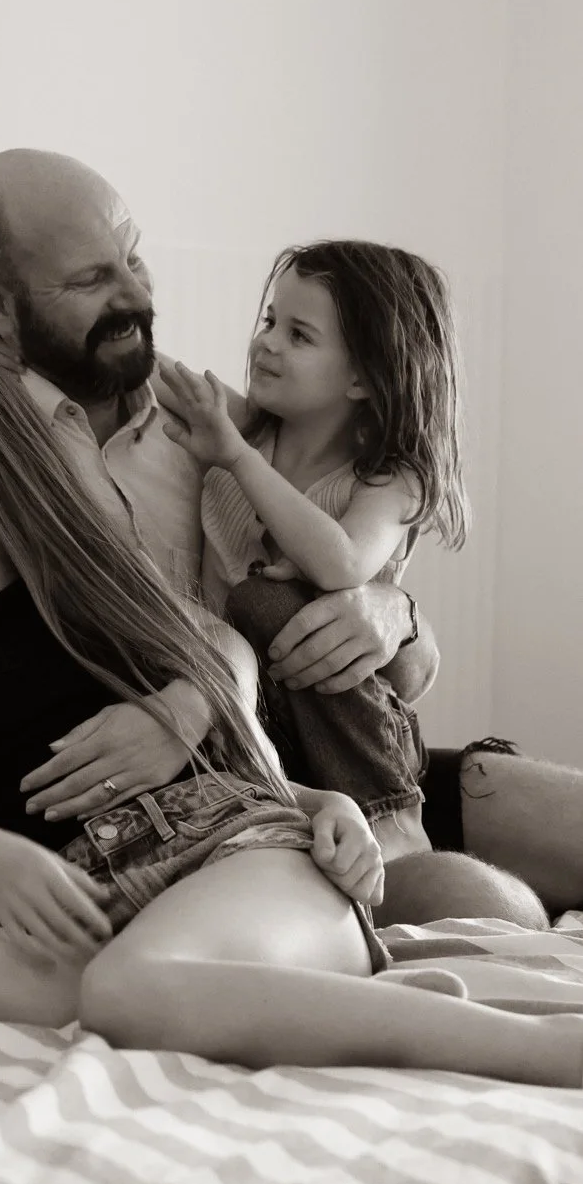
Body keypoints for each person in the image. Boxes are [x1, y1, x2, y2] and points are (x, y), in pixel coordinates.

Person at [0, 355, 583, 1087]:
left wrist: (323, 804)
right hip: (85, 918)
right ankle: (215, 998)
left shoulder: (101, 596)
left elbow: (239, 732)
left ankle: (533, 1047)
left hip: (239, 857)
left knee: (126, 989)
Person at [0, 149, 580, 918]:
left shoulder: (197, 414)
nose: (136, 296)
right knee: (486, 907)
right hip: (216, 784)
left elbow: (396, 665)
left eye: (134, 259)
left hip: (344, 750)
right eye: (89, 280)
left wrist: (394, 616)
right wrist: (195, 705)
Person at [159, 240, 468, 865]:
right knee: (239, 624)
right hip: (256, 713)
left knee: (266, 602)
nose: (266, 343)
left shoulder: (387, 480)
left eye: (299, 335)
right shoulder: (246, 430)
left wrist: (236, 458)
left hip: (355, 728)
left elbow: (342, 563)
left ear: (362, 378)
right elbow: (153, 370)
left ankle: (392, 818)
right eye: (270, 321)